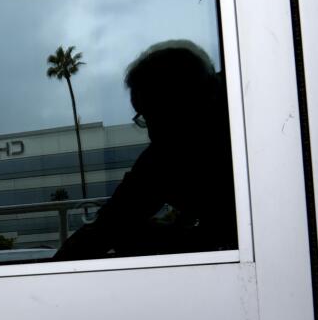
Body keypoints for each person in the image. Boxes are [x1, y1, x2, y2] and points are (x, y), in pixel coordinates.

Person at [53, 41, 237, 261]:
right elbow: (112, 221)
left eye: (152, 115)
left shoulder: (167, 156)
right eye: (144, 117)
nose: (150, 132)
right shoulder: (169, 153)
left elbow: (108, 225)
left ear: (184, 103)